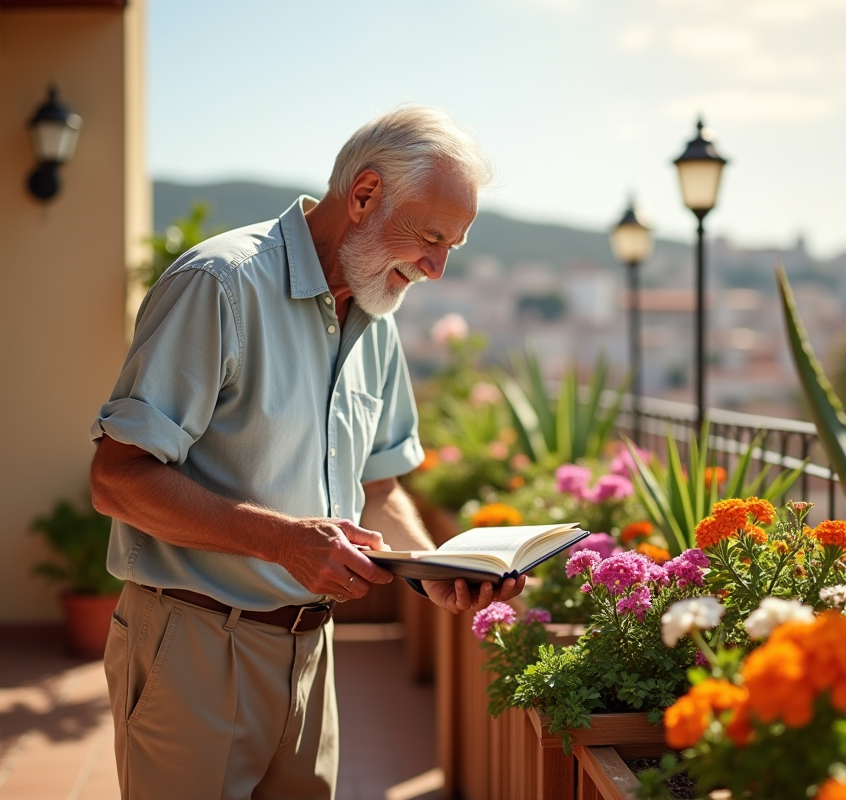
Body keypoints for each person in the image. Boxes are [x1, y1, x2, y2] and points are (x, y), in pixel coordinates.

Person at [88, 106, 524, 800]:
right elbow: (117, 480)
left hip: (311, 653)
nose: (437, 270)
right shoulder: (219, 284)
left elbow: (377, 486)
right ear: (364, 195)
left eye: (453, 248)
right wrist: (283, 541)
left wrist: (431, 570)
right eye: (432, 238)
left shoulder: (377, 312)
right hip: (195, 646)